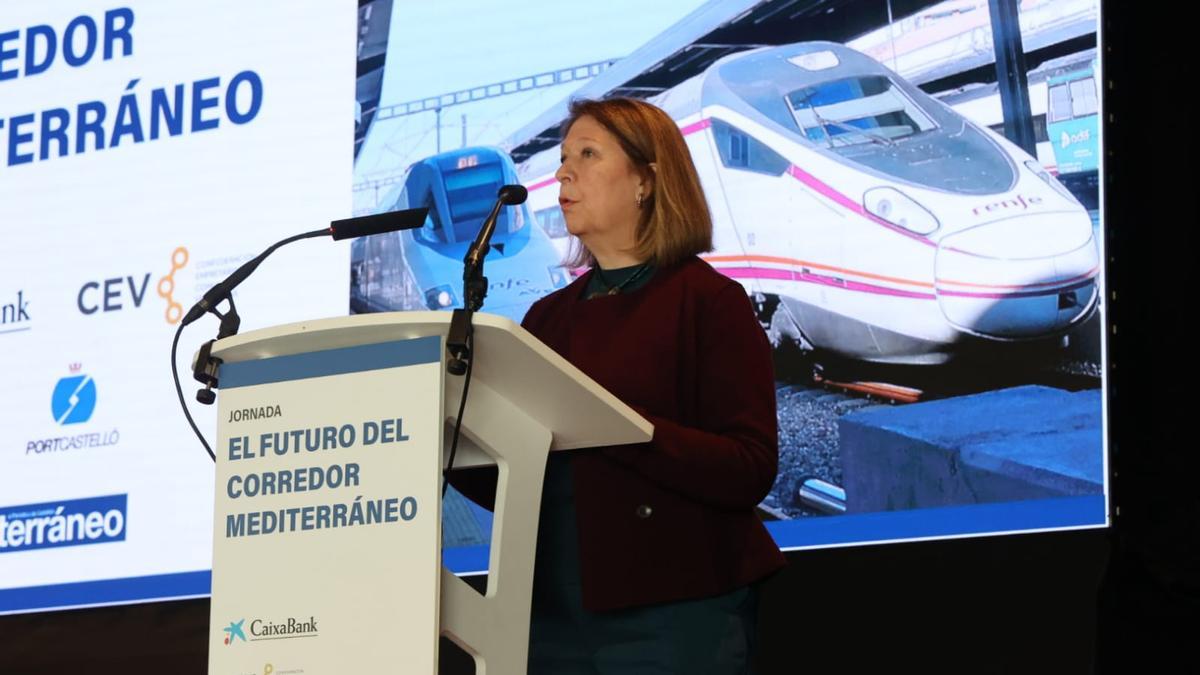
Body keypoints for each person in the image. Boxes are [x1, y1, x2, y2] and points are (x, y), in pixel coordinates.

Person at [454, 97, 785, 674]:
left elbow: (749, 465)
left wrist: (621, 427)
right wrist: (446, 439)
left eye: (587, 154)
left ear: (646, 182)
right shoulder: (546, 320)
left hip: (675, 615)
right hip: (550, 616)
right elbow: (514, 481)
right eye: (562, 159)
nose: (563, 172)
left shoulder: (709, 303)